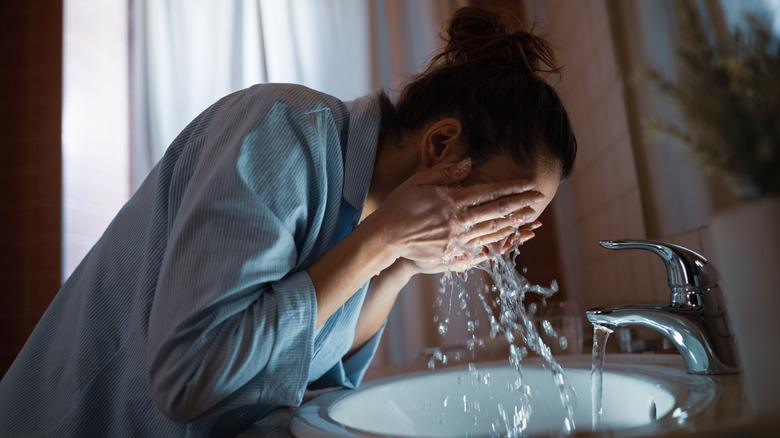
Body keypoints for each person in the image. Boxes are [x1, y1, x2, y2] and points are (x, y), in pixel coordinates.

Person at [0, 6, 576, 437]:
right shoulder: (282, 133)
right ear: (441, 144)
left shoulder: (367, 217)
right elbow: (189, 378)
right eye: (502, 208)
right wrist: (384, 241)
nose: (502, 241)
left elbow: (318, 384)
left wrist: (401, 262)